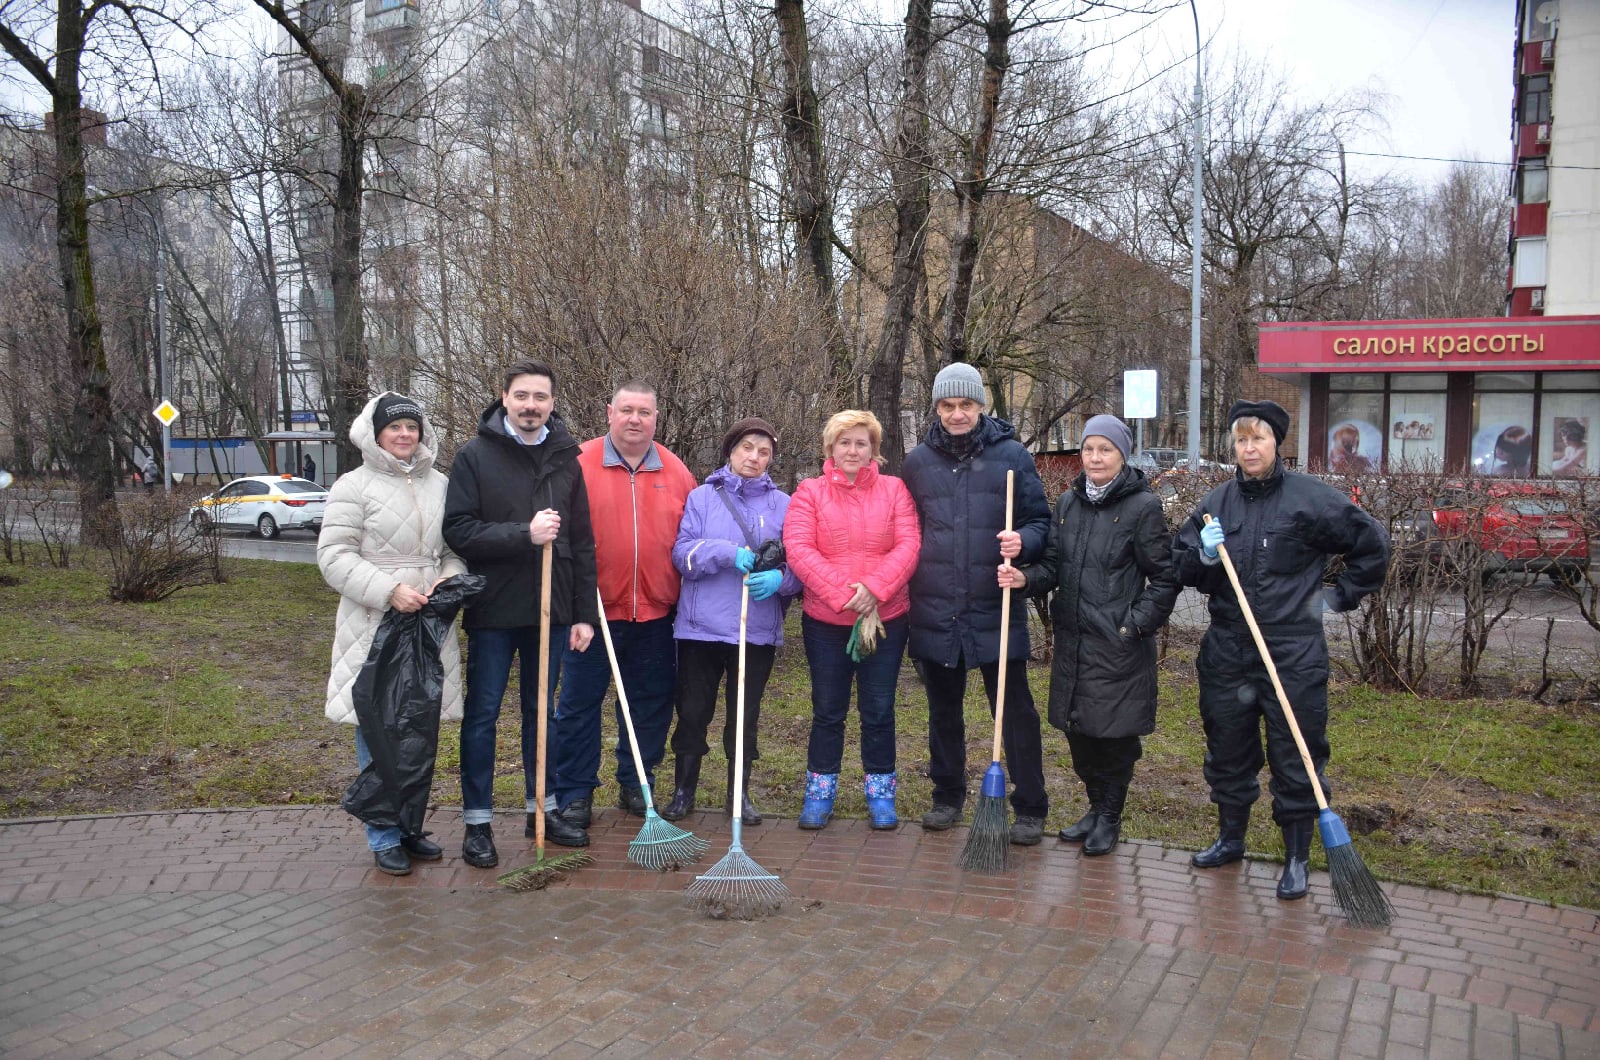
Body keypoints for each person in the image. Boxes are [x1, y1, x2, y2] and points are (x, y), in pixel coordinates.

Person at [1172, 399, 1388, 901]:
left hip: (1292, 651)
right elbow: (1180, 566)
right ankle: (1231, 838)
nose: (1249, 448)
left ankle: (1296, 857)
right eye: (1242, 440)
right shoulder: (1216, 503)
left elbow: (1372, 543)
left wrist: (1336, 598)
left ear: (1276, 444)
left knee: (1297, 755)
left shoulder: (1310, 499)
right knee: (1228, 748)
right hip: (1228, 648)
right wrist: (1202, 553)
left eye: (1259, 438)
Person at [442, 360, 599, 868]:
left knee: (542, 713)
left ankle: (544, 809)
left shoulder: (565, 460)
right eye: (522, 396)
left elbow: (581, 542)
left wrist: (582, 614)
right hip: (493, 608)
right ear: (504, 398)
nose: (532, 405)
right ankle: (478, 823)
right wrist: (522, 535)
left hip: (550, 612)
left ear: (553, 403)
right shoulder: (475, 456)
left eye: (541, 397)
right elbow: (459, 531)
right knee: (484, 715)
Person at [1003, 415, 1179, 855]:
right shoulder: (1068, 505)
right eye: (1088, 449)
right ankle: (1095, 808)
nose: (1095, 458)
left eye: (1105, 449)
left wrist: (1134, 625)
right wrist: (1024, 579)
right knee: (1079, 735)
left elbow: (1164, 577)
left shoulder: (1143, 508)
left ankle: (1110, 816)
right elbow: (1053, 567)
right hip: (1074, 642)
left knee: (1114, 739)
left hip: (1118, 644)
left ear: (1122, 455)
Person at [901, 363, 1052, 845]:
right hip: (936, 606)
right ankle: (947, 796)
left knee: (1014, 711)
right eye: (948, 406)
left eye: (966, 405)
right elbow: (906, 531)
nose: (957, 414)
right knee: (943, 711)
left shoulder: (1011, 456)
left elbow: (1040, 522)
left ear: (980, 406)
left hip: (995, 604)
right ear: (937, 408)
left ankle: (1029, 804)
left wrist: (1021, 541)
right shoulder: (918, 463)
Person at [318, 393, 466, 875]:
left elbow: (452, 548)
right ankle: (382, 834)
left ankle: (407, 826)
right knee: (378, 728)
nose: (405, 435)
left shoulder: (441, 484)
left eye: (412, 427)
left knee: (418, 731)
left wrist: (448, 577)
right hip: (373, 625)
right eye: (395, 426)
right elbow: (334, 557)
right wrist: (389, 590)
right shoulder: (352, 486)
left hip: (426, 626)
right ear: (375, 431)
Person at [551, 381, 696, 827]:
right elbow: (559, 536)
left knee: (650, 701)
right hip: (591, 613)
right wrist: (576, 606)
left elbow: (689, 539)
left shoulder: (676, 472)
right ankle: (575, 791)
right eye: (627, 410)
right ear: (609, 411)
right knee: (578, 703)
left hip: (655, 611)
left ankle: (636, 779)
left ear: (656, 417)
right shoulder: (577, 462)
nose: (635, 419)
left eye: (644, 412)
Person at [783, 410, 921, 829]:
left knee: (879, 710)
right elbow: (800, 549)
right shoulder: (809, 492)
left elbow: (910, 544)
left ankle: (880, 794)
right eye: (845, 442)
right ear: (830, 447)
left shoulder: (896, 491)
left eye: (862, 443)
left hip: (887, 620)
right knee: (828, 710)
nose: (853, 450)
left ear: (874, 450)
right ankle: (820, 793)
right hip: (826, 622)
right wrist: (850, 595)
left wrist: (875, 590)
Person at [663, 417, 802, 825]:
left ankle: (737, 794)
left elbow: (799, 567)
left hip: (754, 631)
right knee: (692, 712)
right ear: (731, 450)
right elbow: (681, 555)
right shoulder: (702, 498)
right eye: (747, 448)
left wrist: (780, 579)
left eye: (763, 451)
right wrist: (725, 551)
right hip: (700, 629)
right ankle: (683, 789)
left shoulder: (785, 505)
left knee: (745, 716)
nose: (754, 457)